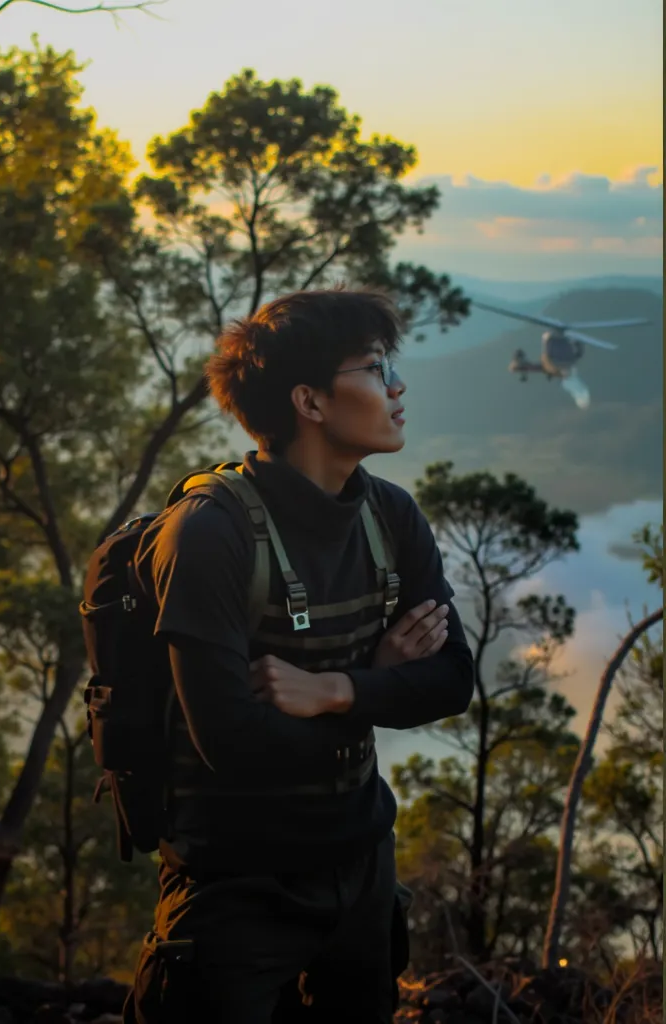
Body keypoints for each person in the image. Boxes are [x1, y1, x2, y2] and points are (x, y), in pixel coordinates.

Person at [124, 288, 474, 1023]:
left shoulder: (390, 516)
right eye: (377, 369)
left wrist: (337, 690)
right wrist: (380, 682)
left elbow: (449, 679)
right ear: (310, 402)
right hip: (235, 889)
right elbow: (235, 747)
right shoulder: (209, 537)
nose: (398, 386)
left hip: (362, 870)